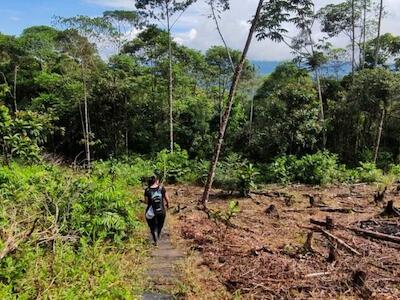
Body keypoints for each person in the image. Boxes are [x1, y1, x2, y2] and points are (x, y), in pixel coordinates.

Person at [144, 175, 169, 245]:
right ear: (156, 181)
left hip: (151, 211)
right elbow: (167, 199)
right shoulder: (162, 188)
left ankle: (155, 239)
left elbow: (146, 201)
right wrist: (167, 204)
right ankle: (157, 235)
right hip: (161, 211)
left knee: (152, 226)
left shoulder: (147, 190)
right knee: (160, 226)